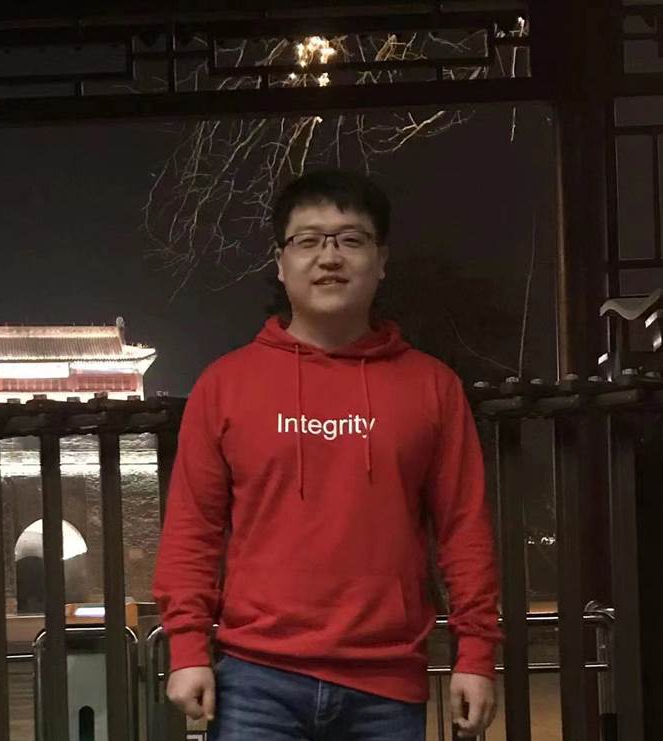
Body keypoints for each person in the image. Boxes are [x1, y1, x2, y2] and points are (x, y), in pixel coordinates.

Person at [153, 169, 500, 740]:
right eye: (308, 240)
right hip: (255, 681)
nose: (329, 257)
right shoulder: (225, 385)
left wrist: (477, 653)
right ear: (280, 261)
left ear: (381, 260)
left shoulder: (432, 386)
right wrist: (188, 647)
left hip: (386, 683)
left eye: (351, 240)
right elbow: (193, 528)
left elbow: (464, 528)